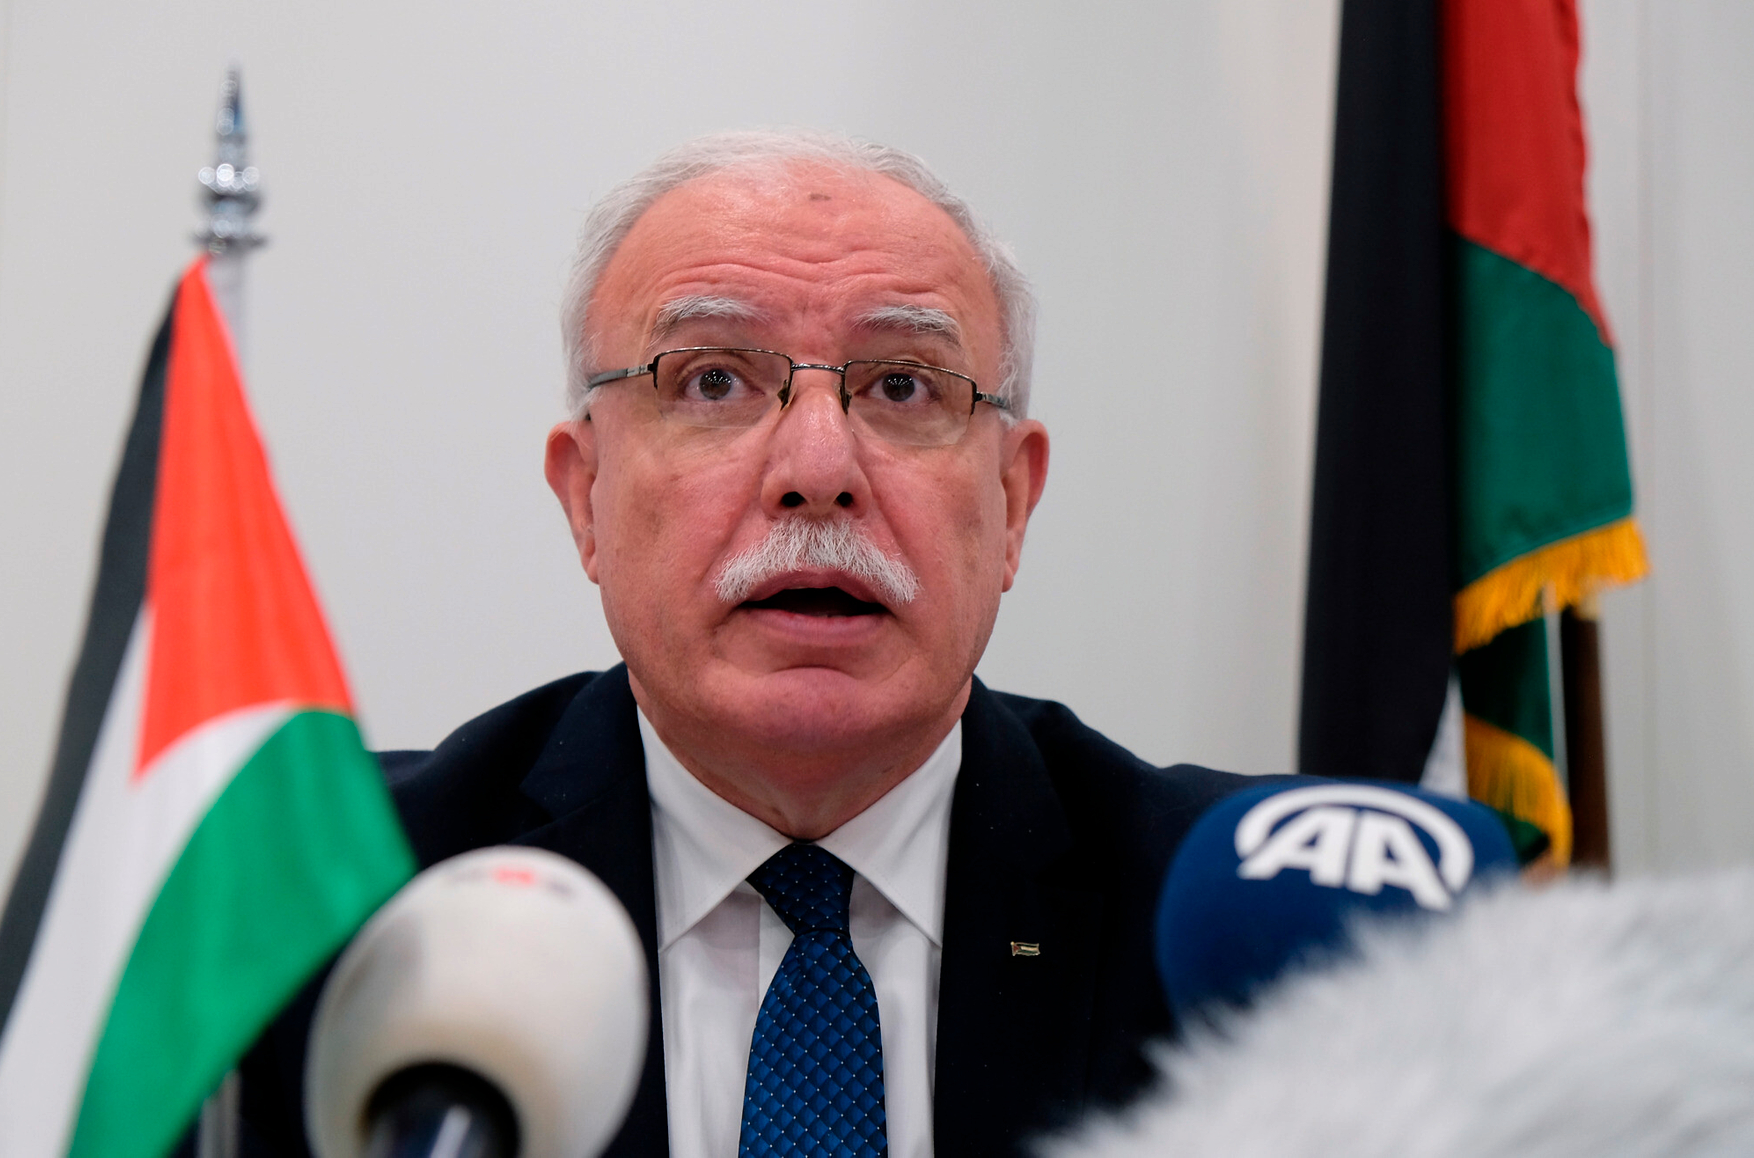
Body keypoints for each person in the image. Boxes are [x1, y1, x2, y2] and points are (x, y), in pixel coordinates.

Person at [238, 131, 1255, 1158]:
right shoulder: (310, 910)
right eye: (713, 381)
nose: (818, 471)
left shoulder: (1254, 938)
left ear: (1012, 502)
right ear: (585, 495)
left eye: (904, 386)